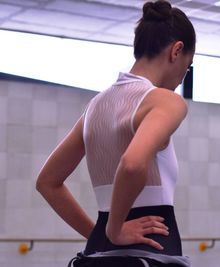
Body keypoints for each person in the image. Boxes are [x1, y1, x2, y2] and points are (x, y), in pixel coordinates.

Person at [36, 1, 196, 266]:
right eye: (187, 67)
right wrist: (114, 229)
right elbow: (132, 164)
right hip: (152, 243)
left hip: (98, 250)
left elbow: (47, 182)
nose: (181, 78)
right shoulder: (165, 101)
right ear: (176, 51)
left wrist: (100, 235)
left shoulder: (95, 107)